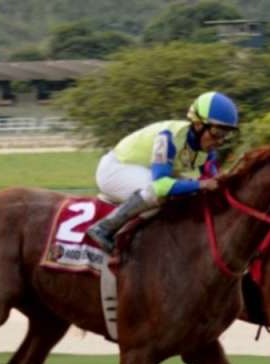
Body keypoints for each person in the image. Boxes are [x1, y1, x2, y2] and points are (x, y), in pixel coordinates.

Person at [86, 91, 239, 254]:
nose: (220, 141)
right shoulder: (168, 137)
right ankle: (103, 228)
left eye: (225, 134)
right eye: (217, 133)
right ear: (198, 124)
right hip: (116, 169)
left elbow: (213, 185)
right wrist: (202, 184)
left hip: (145, 170)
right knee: (158, 194)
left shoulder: (208, 152)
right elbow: (160, 186)